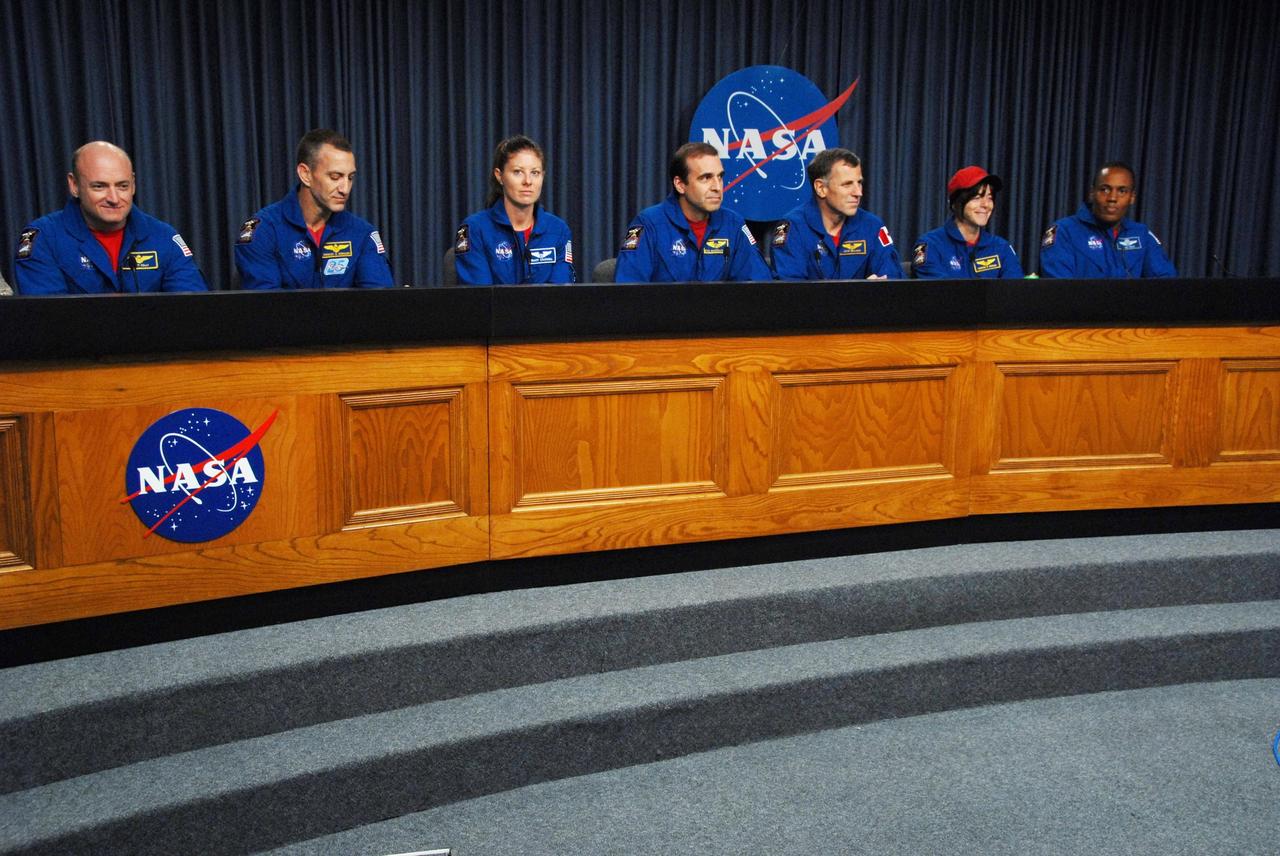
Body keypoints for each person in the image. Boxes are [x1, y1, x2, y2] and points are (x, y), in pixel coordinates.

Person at [13, 141, 207, 295]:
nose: (114, 199)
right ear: (74, 185)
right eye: (99, 186)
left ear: (133, 184)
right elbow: (47, 320)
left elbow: (193, 311)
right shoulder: (43, 239)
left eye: (122, 186)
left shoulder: (163, 236)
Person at [235, 129, 393, 289]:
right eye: (335, 177)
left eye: (350, 177)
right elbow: (264, 307)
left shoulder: (362, 233)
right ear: (305, 175)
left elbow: (379, 302)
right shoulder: (263, 231)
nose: (345, 189)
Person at [615, 142, 772, 283]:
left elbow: (758, 287)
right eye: (706, 178)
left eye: (720, 177)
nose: (717, 187)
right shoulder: (648, 224)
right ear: (680, 184)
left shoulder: (733, 224)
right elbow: (629, 294)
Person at [453, 136, 575, 284]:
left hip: (546, 308)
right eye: (518, 172)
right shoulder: (472, 230)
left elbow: (561, 293)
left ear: (542, 176)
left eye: (535, 173)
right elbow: (479, 298)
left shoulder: (558, 230)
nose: (528, 181)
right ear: (499, 176)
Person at [770, 148, 902, 281]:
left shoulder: (872, 226)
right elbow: (789, 292)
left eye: (859, 183)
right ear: (821, 188)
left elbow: (893, 280)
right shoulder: (793, 228)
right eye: (847, 184)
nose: (858, 193)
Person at [1039, 162, 1176, 278]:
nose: (1112, 198)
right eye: (1105, 189)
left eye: (1122, 191)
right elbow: (1059, 291)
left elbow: (1165, 283)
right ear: (1092, 193)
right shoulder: (1064, 231)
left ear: (1132, 197)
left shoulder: (1140, 233)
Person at [911, 166, 1024, 279]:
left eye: (989, 198)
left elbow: (1015, 291)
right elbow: (938, 292)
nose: (985, 205)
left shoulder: (1001, 247)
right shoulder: (929, 245)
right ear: (956, 203)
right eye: (977, 197)